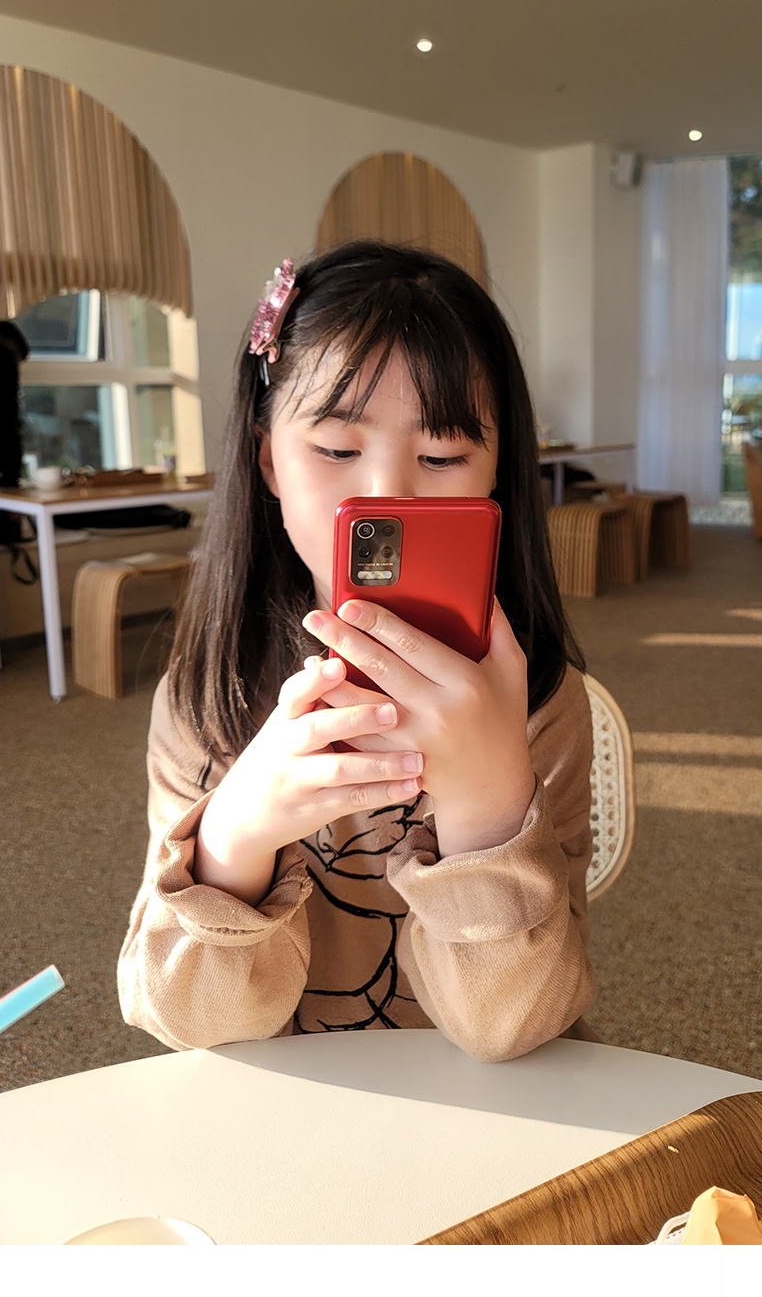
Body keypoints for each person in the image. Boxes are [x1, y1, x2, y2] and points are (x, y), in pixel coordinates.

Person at [119, 242, 597, 1061]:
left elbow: (513, 1029)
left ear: (496, 473)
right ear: (269, 460)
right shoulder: (206, 698)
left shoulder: (539, 700)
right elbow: (185, 1023)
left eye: (442, 457)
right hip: (285, 1102)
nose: (387, 496)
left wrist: (488, 808)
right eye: (337, 450)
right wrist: (232, 844)